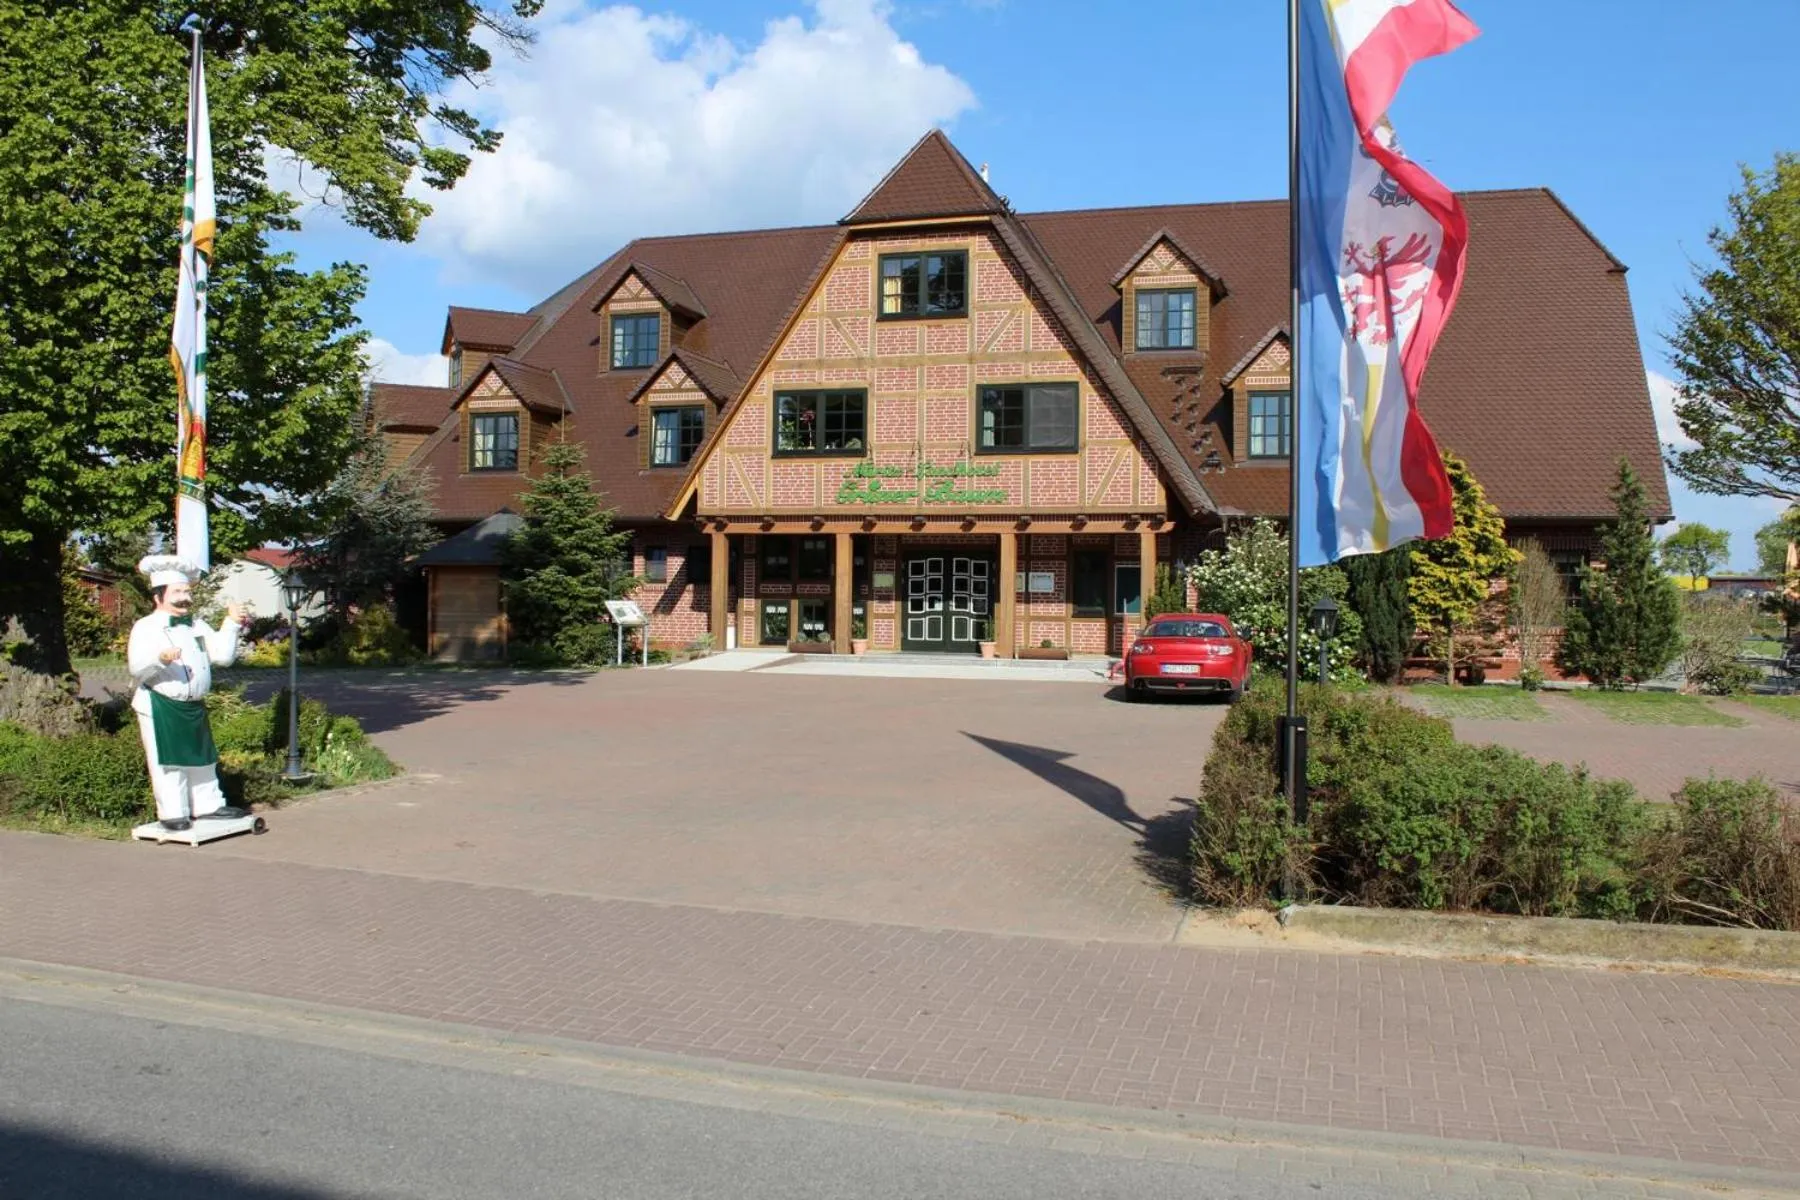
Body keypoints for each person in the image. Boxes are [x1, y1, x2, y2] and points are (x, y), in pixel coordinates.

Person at [127, 555, 246, 831]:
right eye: (177, 592)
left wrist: (231, 624)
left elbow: (223, 657)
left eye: (187, 591)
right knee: (168, 762)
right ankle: (172, 812)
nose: (185, 597)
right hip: (160, 703)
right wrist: (161, 659)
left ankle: (208, 805)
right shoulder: (146, 627)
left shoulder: (197, 625)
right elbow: (136, 669)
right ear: (159, 596)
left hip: (194, 705)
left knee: (202, 757)